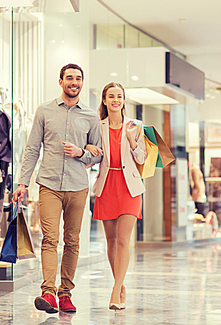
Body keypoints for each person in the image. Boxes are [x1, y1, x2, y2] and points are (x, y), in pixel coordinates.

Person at [12, 63, 102, 314]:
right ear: (60, 81)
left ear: (82, 83)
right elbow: (32, 149)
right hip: (49, 184)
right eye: (70, 78)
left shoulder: (91, 116)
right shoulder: (44, 111)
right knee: (50, 239)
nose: (74, 82)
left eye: (78, 79)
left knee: (72, 241)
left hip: (77, 187)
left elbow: (98, 154)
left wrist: (81, 152)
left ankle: (66, 294)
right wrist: (22, 183)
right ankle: (48, 293)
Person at [86, 82, 147, 310]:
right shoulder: (97, 125)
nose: (115, 100)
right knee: (110, 241)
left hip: (129, 187)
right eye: (111, 96)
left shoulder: (135, 125)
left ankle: (115, 290)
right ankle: (120, 286)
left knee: (123, 240)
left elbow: (141, 159)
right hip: (107, 184)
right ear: (104, 100)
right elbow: (92, 155)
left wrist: (132, 141)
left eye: (119, 96)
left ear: (124, 100)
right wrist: (89, 150)